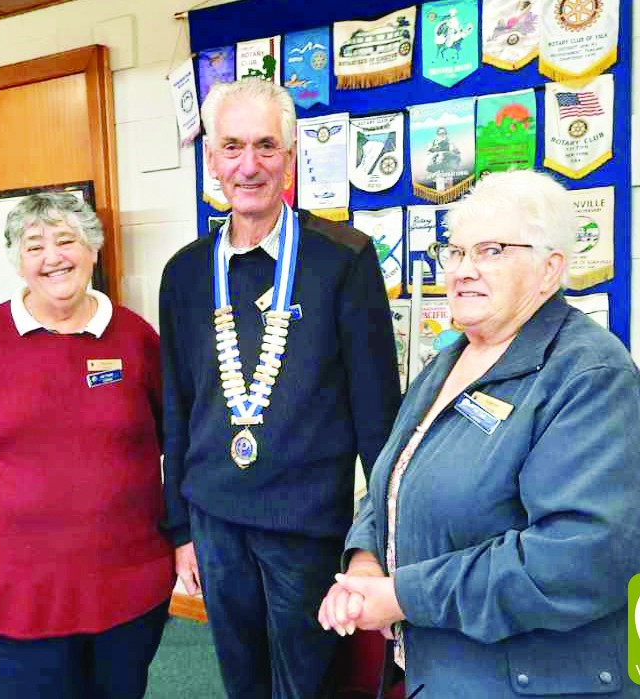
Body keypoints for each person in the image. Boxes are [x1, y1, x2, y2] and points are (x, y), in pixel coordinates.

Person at [319, 170, 640, 698]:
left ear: (549, 270)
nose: (463, 271)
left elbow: (578, 560)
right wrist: (365, 561)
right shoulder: (447, 362)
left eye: (490, 251)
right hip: (447, 671)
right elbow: (394, 478)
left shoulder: (592, 377)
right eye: (455, 252)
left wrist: (403, 596)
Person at [159, 78, 401, 699]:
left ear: (290, 159)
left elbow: (379, 416)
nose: (249, 165)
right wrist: (181, 529)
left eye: (267, 146)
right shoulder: (185, 273)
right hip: (214, 521)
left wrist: (382, 539)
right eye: (232, 147)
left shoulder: (342, 259)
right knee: (240, 679)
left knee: (308, 684)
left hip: (307, 525)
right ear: (210, 158)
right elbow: (177, 408)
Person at [0, 191, 174, 699]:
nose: (53, 257)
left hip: (125, 586)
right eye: (35, 246)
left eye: (66, 240)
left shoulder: (136, 338)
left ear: (92, 249)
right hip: (16, 593)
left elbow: (169, 431)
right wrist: (5, 481)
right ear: (19, 263)